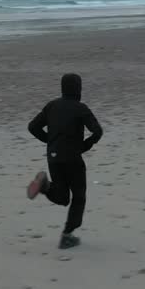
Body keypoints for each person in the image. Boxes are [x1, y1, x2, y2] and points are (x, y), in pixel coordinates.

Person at [26, 72, 103, 249]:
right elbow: (97, 131)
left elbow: (32, 127)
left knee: (61, 196)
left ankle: (44, 185)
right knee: (78, 196)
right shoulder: (81, 108)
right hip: (73, 159)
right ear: (78, 89)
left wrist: (49, 141)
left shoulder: (52, 106)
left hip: (53, 158)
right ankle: (67, 235)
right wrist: (85, 145)